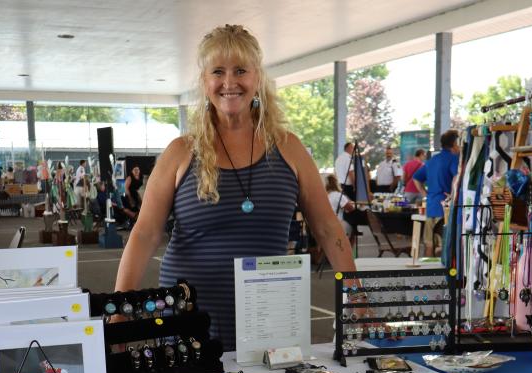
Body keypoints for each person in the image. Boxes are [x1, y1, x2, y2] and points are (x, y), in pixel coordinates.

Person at [114, 24, 355, 350]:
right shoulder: (180, 152)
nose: (229, 83)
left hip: (269, 322)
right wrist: (120, 308)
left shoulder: (289, 148)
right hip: (188, 321)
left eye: (240, 70)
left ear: (257, 78)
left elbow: (328, 228)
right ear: (205, 82)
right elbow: (145, 234)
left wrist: (355, 294)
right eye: (218, 72)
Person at [412, 130, 461, 255]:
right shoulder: (453, 159)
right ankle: (441, 273)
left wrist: (425, 194)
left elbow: (416, 178)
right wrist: (453, 195)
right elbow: (456, 177)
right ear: (455, 144)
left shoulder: (432, 160)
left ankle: (427, 273)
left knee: (429, 244)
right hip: (444, 208)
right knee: (442, 246)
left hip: (431, 206)